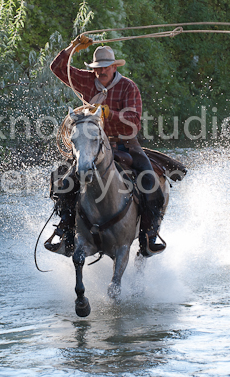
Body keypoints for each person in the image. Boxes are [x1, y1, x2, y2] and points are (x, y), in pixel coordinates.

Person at [45, 34, 167, 257]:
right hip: (91, 145)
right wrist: (72, 47)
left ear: (113, 67)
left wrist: (110, 114)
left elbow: (135, 121)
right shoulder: (85, 79)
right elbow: (57, 68)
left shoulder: (129, 87)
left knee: (151, 183)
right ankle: (66, 232)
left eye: (105, 68)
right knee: (62, 181)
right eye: (97, 69)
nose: (101, 72)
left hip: (125, 145)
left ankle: (148, 236)